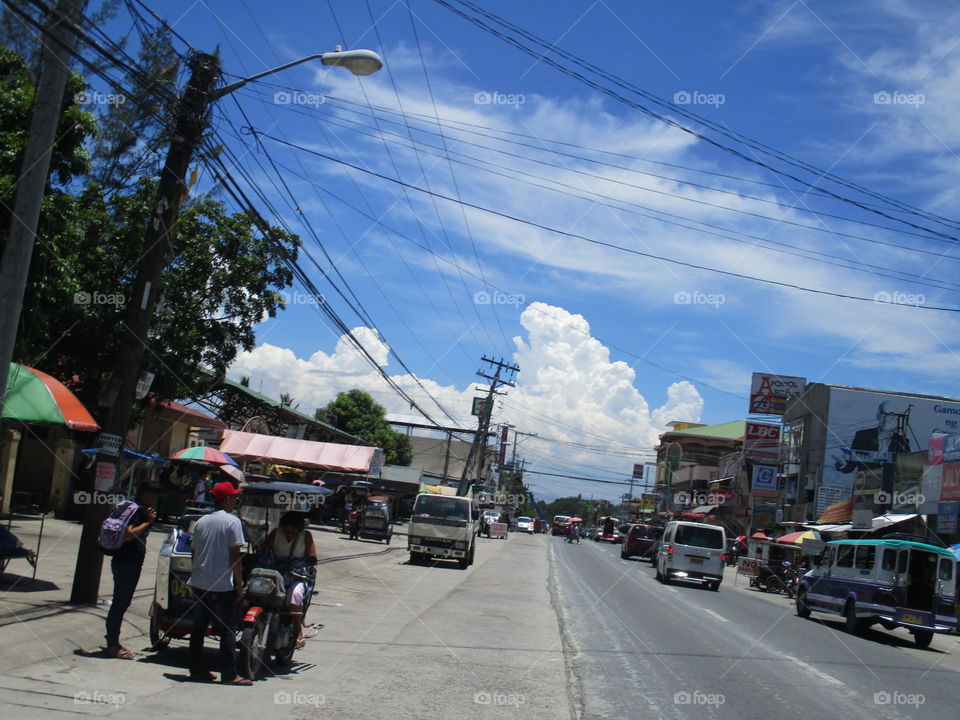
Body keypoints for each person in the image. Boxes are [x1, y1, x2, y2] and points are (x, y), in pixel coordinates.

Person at [187, 481, 250, 685]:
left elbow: (194, 553)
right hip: (222, 584)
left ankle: (196, 670)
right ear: (227, 499)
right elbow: (235, 556)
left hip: (199, 582)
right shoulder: (232, 522)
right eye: (233, 497)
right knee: (227, 629)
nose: (235, 501)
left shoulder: (202, 521)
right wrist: (240, 585)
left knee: (198, 629)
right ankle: (230, 674)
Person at [104, 483, 157, 659]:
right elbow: (128, 534)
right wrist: (148, 522)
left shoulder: (140, 510)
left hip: (128, 562)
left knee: (121, 603)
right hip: (126, 563)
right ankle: (112, 644)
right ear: (142, 495)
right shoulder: (136, 512)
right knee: (120, 603)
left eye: (153, 496)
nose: (151, 499)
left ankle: (114, 641)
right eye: (148, 495)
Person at [264, 512, 317, 649]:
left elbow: (311, 559)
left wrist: (297, 565)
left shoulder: (306, 536)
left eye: (293, 532)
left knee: (295, 595)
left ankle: (298, 631)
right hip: (274, 576)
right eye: (286, 531)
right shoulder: (275, 534)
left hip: (295, 576)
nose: (289, 535)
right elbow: (264, 553)